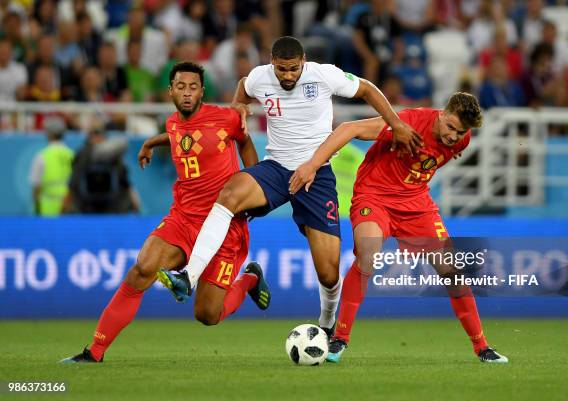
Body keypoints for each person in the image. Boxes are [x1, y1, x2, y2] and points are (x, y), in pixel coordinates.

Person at [158, 36, 422, 337]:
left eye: (293, 69)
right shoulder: (261, 77)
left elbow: (366, 89)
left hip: (317, 174)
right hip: (277, 168)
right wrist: (238, 107)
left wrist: (396, 123)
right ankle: (189, 277)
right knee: (229, 195)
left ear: (304, 61)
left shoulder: (324, 75)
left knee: (328, 271)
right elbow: (244, 85)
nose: (287, 76)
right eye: (282, 69)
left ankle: (325, 324)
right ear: (272, 62)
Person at [60, 62, 267, 363]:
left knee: (208, 314)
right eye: (180, 87)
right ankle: (95, 351)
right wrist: (150, 143)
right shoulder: (172, 123)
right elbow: (179, 136)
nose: (186, 93)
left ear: (202, 92)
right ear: (170, 91)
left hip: (224, 226)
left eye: (193, 87)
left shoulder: (227, 119)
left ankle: (249, 279)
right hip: (183, 219)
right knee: (142, 269)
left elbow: (244, 140)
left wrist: (254, 183)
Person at [288, 92, 509, 364]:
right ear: (441, 113)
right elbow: (350, 128)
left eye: (460, 131)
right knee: (368, 255)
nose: (453, 136)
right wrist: (312, 165)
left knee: (452, 270)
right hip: (374, 196)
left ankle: (482, 347)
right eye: (450, 127)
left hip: (416, 202)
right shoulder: (408, 123)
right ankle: (340, 339)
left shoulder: (462, 139)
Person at [63, 124, 139, 214]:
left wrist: (134, 202)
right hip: (86, 208)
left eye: (99, 135)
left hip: (112, 208)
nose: (97, 138)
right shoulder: (83, 155)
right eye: (94, 135)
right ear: (89, 138)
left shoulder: (114, 157)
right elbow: (73, 182)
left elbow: (125, 181)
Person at [29, 117, 73, 216]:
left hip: (47, 207)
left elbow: (36, 186)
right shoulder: (72, 155)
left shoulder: (41, 156)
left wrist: (37, 206)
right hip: (69, 206)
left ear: (49, 134)